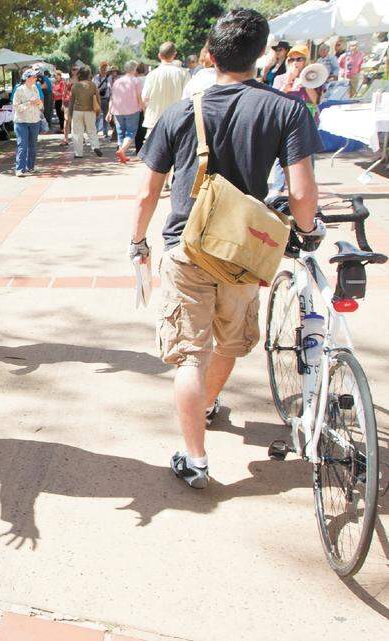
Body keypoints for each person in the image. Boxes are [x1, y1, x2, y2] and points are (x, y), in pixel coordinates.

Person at [130, 9, 324, 489]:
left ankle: (194, 458)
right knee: (230, 342)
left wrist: (138, 242)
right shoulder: (287, 110)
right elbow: (301, 193)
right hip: (244, 249)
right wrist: (309, 230)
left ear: (210, 56)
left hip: (187, 246)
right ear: (262, 55)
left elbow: (146, 191)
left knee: (189, 356)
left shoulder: (181, 112)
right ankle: (210, 402)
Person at [268, 44, 319, 198]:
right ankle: (278, 187)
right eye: (291, 59)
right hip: (285, 120)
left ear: (306, 61)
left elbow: (315, 101)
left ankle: (308, 186)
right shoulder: (280, 78)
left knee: (308, 154)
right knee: (281, 153)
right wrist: (288, 81)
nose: (295, 62)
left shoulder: (314, 77)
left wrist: (305, 82)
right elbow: (275, 98)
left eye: (299, 59)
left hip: (307, 120)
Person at [141, 41, 190, 136]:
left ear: (159, 55)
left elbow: (144, 97)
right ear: (174, 55)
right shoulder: (184, 74)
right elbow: (188, 98)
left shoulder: (152, 75)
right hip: (177, 121)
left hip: (154, 121)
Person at [109, 60, 144, 163]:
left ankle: (122, 154)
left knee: (120, 133)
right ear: (134, 69)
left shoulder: (117, 81)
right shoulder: (136, 81)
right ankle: (122, 150)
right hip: (132, 110)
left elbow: (113, 97)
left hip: (118, 110)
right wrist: (143, 108)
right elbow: (139, 97)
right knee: (131, 132)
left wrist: (110, 111)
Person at [12, 69, 44, 177]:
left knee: (33, 145)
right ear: (27, 78)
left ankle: (31, 167)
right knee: (22, 145)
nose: (35, 78)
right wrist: (29, 103)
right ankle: (20, 169)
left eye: (35, 77)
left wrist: (39, 103)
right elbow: (16, 107)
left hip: (35, 120)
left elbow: (40, 106)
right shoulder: (19, 90)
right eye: (33, 77)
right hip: (22, 122)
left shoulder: (35, 88)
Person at [69, 66, 102, 159]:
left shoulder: (75, 86)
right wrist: (98, 110)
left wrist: (70, 114)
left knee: (77, 132)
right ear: (88, 75)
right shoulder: (93, 85)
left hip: (77, 111)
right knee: (91, 130)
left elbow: (71, 101)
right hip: (90, 111)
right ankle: (95, 146)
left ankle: (78, 153)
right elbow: (97, 99)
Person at [94, 62, 112, 138]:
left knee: (106, 116)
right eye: (102, 68)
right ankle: (95, 132)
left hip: (106, 99)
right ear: (100, 69)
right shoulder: (96, 77)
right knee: (97, 116)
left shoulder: (109, 77)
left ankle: (105, 132)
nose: (104, 70)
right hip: (98, 99)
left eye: (105, 69)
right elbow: (95, 87)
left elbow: (110, 88)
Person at [54, 71, 71, 144]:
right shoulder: (62, 83)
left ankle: (80, 137)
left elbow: (62, 93)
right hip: (64, 102)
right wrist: (63, 104)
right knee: (66, 119)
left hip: (71, 102)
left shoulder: (64, 83)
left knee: (70, 120)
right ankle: (65, 138)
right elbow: (64, 93)